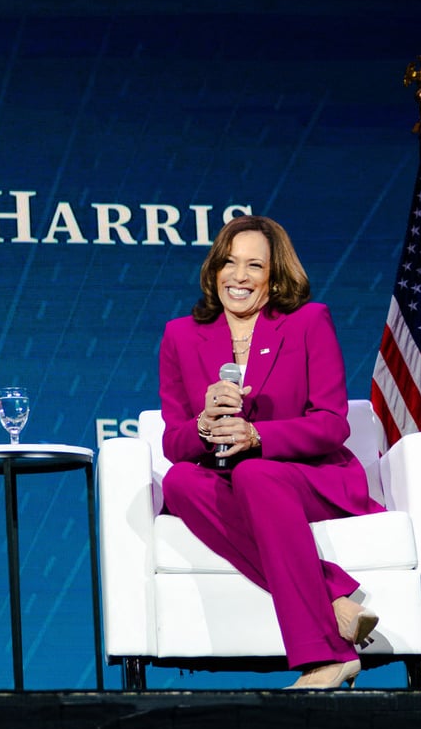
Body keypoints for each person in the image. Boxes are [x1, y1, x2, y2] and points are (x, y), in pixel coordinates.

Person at [157, 215, 381, 689]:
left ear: (275, 277)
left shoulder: (307, 323)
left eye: (254, 265)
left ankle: (325, 657)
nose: (238, 276)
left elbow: (331, 424)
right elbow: (173, 442)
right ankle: (336, 595)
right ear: (214, 269)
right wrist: (203, 424)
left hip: (310, 476)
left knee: (256, 474)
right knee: (178, 483)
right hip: (227, 476)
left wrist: (258, 438)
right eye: (229, 263)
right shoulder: (180, 335)